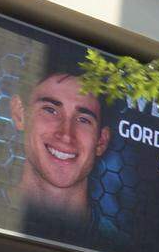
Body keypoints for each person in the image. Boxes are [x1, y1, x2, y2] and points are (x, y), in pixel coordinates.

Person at [10, 71, 111, 222]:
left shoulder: (116, 243)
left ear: (101, 141)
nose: (66, 135)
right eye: (50, 110)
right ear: (20, 115)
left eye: (83, 120)